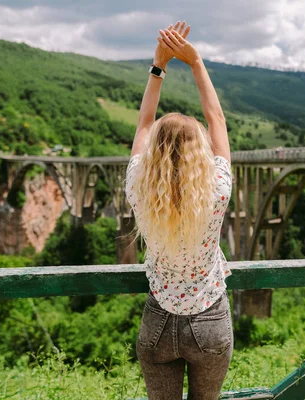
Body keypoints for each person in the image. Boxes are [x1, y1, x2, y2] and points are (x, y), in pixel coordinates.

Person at [124, 21, 233, 400]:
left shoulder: (138, 185)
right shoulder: (217, 190)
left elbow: (143, 124)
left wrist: (159, 65)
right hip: (210, 321)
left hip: (157, 320)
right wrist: (196, 61)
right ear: (199, 157)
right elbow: (217, 120)